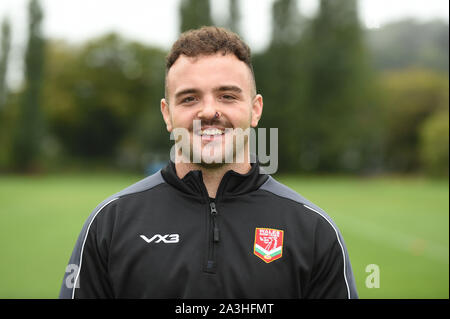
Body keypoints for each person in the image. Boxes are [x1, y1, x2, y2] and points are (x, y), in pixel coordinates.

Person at [59, 26, 358, 299]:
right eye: (189, 99)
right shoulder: (110, 224)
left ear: (255, 110)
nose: (209, 111)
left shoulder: (314, 230)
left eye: (227, 95)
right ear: (167, 114)